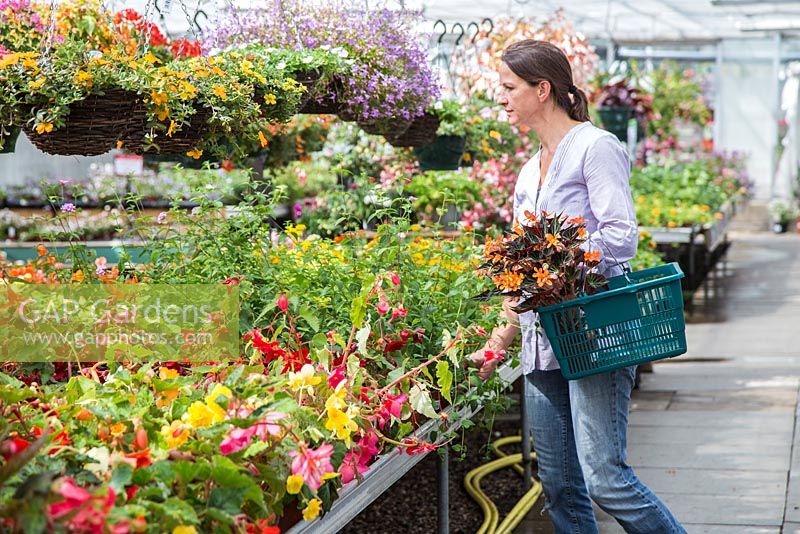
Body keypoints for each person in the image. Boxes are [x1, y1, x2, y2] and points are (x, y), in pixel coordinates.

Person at [469, 40, 686, 534]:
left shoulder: (595, 147)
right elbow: (522, 273)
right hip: (544, 340)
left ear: (542, 89)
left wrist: (557, 258)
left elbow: (621, 240)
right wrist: (496, 342)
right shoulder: (528, 172)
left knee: (606, 480)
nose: (501, 99)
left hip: (595, 334)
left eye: (508, 88)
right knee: (560, 484)